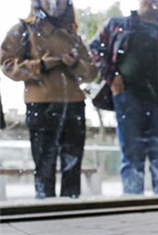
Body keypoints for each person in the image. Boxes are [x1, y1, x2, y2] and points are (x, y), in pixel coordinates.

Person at [89, 0, 158, 195]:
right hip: (127, 99)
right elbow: (94, 49)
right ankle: (132, 204)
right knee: (131, 157)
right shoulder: (117, 26)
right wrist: (111, 77)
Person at [1, 0, 97, 199]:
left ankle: (71, 208)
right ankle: (46, 208)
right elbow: (7, 63)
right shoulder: (23, 30)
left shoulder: (73, 36)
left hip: (73, 104)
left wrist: (75, 64)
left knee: (72, 164)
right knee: (44, 163)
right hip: (41, 104)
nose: (56, 4)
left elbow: (91, 73)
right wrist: (41, 66)